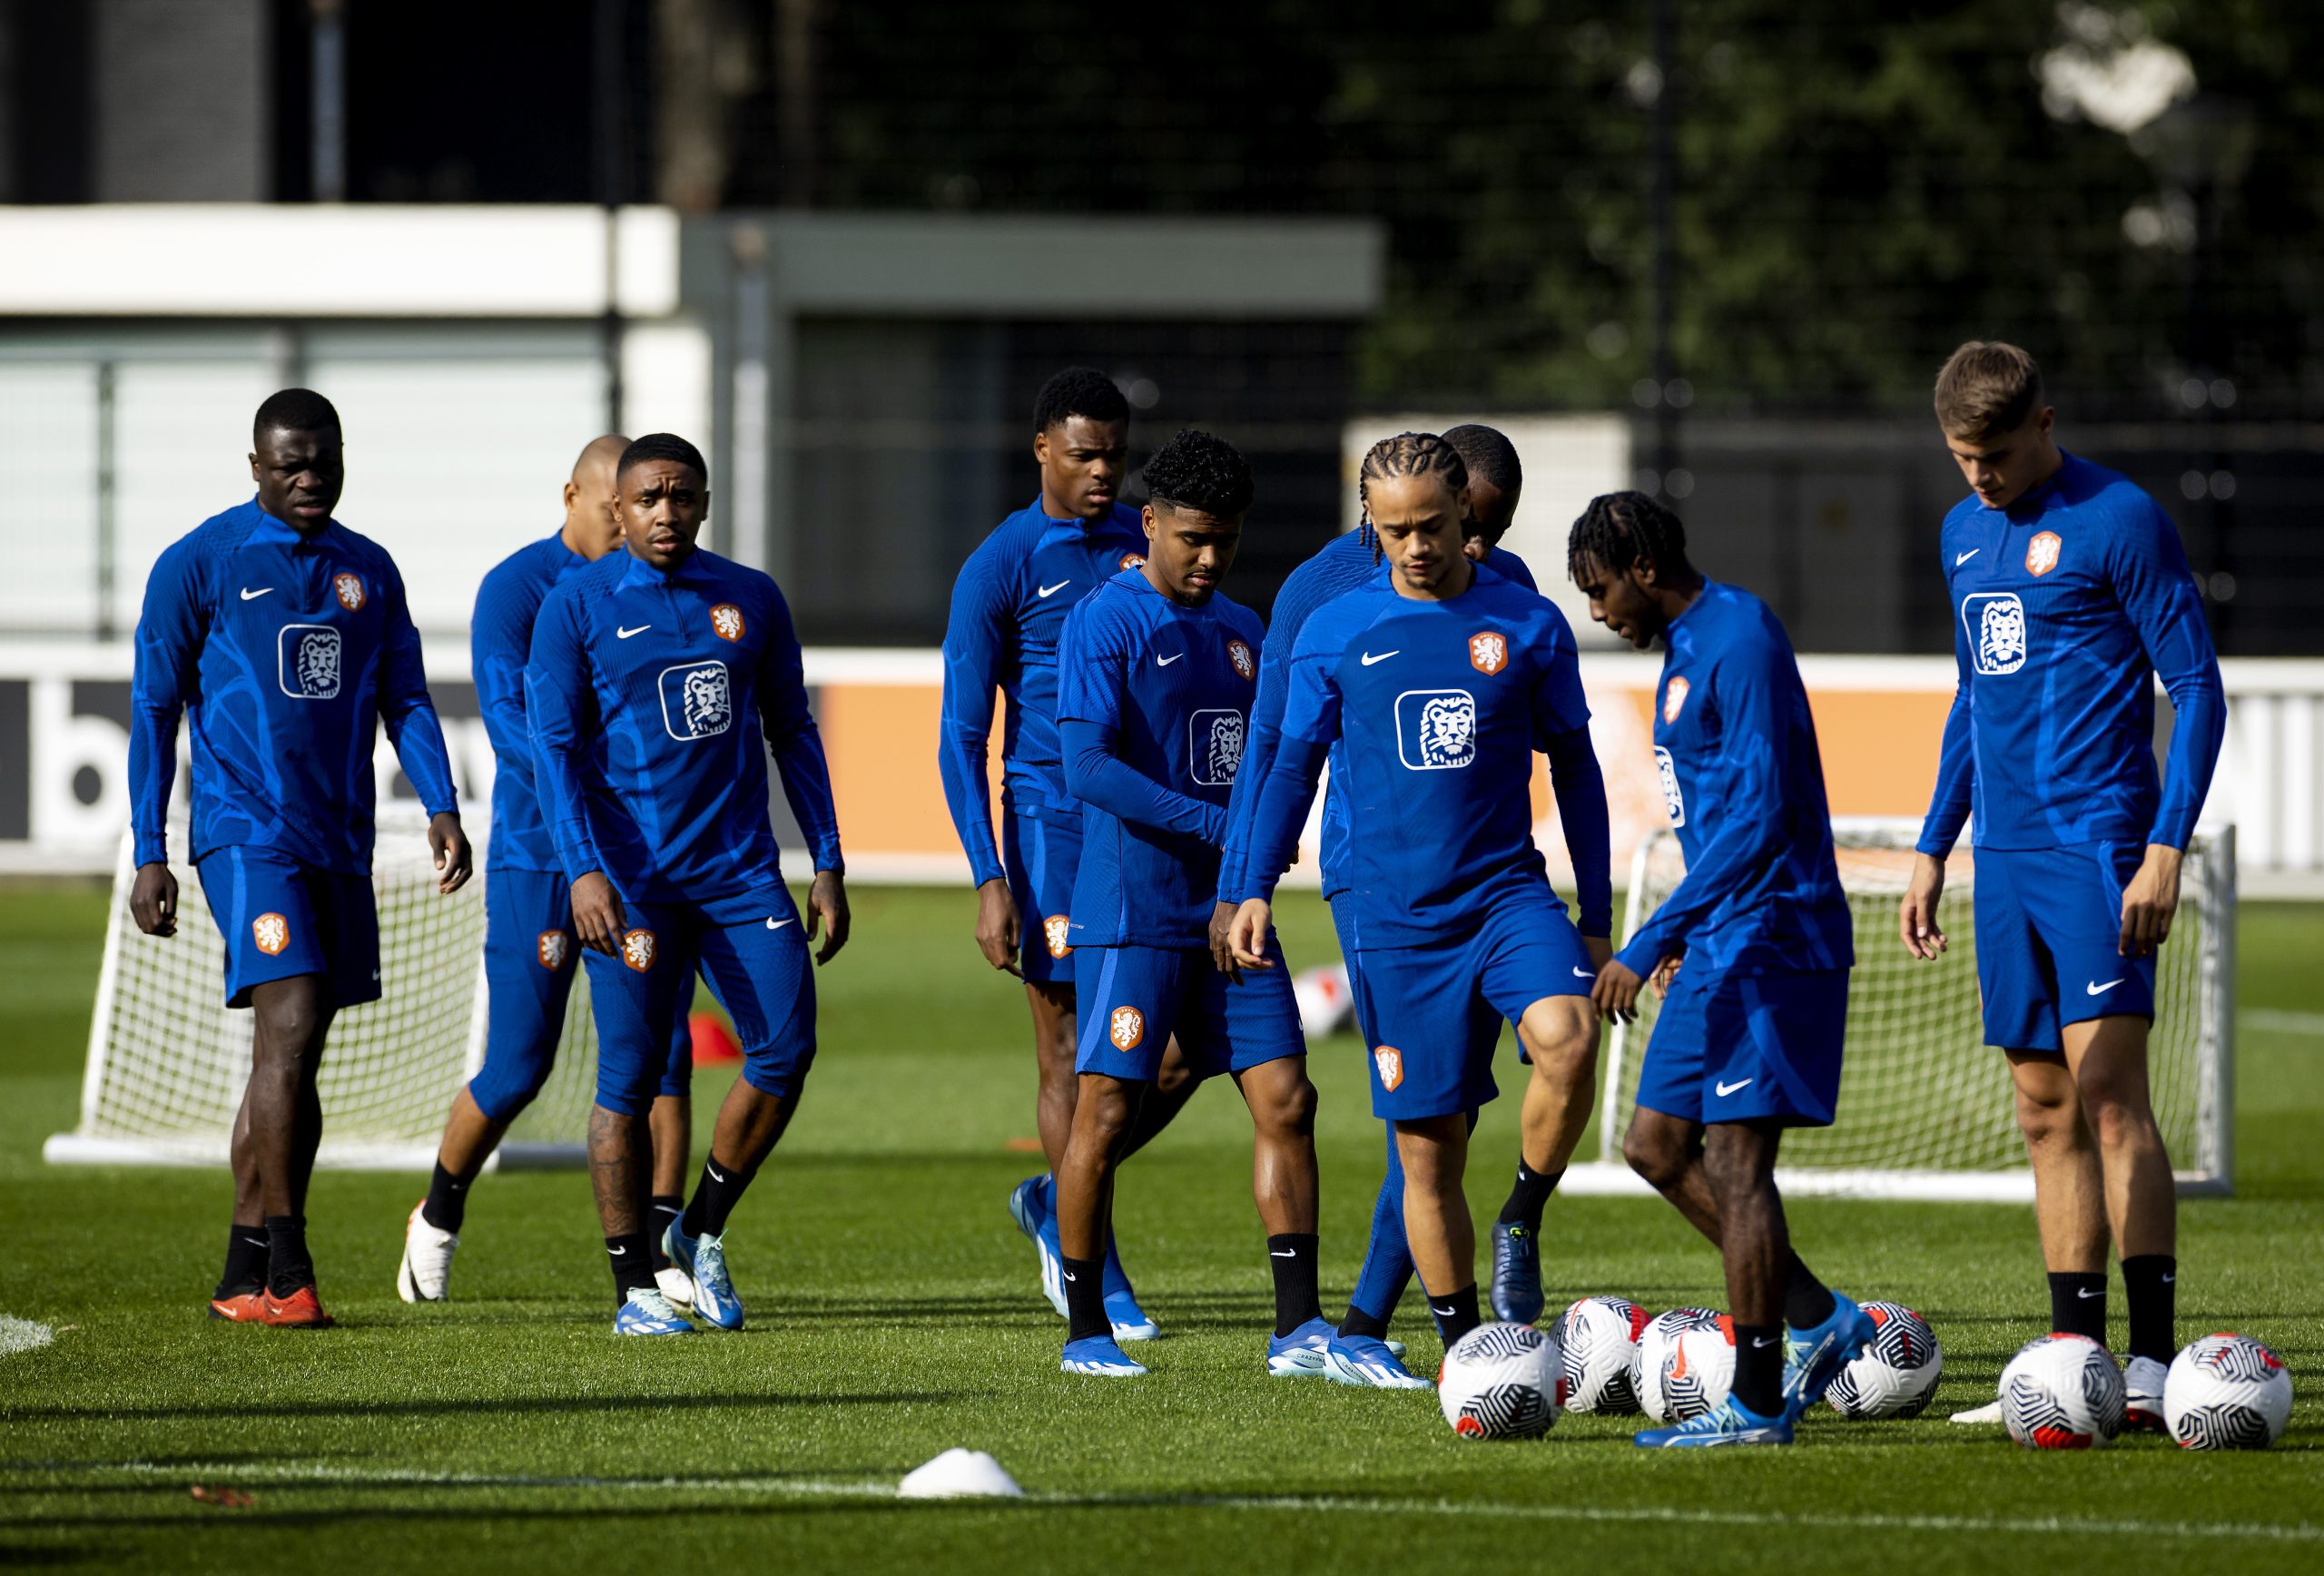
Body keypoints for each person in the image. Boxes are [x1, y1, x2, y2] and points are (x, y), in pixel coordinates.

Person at [1225, 432, 1609, 1366]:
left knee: (1568, 1037)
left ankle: (1521, 1211)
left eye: (1432, 525)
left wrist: (1595, 915)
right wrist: (1249, 887)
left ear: (1463, 516)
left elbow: (1578, 769)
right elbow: (1287, 766)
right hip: (1391, 913)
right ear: (1371, 521)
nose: (1416, 546)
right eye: (1394, 529)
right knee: (1427, 1152)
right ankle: (1471, 1350)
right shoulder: (1331, 625)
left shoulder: (1527, 622)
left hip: (1505, 892)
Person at [1900, 342, 2225, 1429]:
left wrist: (2166, 844)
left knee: (2109, 1099)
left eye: (1994, 454)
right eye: (1960, 458)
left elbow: (2195, 685)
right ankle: (2072, 1359)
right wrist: (1933, 842)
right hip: (2005, 859)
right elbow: (1969, 696)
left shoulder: (2119, 517)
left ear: (2045, 421)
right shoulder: (1958, 534)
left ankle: (2152, 1363)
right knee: (2041, 1111)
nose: (1979, 477)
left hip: (2098, 849)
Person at [129, 388, 470, 1328]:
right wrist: (149, 849)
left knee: (295, 1050)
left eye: (324, 460)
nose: (310, 476)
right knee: (291, 1017)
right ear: (254, 467)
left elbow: (404, 692)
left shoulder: (369, 568)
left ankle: (243, 1272)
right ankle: (291, 1261)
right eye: (290, 464)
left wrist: (440, 802)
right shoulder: (201, 562)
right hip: (244, 833)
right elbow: (155, 709)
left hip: (338, 838)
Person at [527, 433, 848, 1335]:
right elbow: (551, 751)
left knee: (786, 1047)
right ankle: (632, 1285)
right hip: (630, 883)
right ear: (617, 511)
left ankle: (699, 1226)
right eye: (648, 499)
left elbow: (792, 727)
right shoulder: (575, 605)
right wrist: (583, 868)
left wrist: (826, 856)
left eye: (681, 496)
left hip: (742, 874)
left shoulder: (749, 597)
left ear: (703, 503)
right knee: (627, 1081)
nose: (665, 512)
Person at [1569, 490, 1871, 1447]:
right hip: (1722, 937)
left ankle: (1756, 1401)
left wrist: (1654, 936)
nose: (1596, 609)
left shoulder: (1736, 637)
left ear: (1644, 570)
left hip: (1775, 939)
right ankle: (1822, 1315)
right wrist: (1693, 933)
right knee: (1656, 1144)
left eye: (1600, 587)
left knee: (1738, 1162)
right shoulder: (1683, 654)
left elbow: (1761, 818)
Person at [1050, 428, 1329, 1378]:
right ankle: (1085, 1329)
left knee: (1287, 1096)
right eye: (1193, 539)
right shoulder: (1105, 621)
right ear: (1152, 524)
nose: (1209, 558)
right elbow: (1087, 765)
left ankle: (1298, 1328)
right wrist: (1221, 833)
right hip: (1132, 910)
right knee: (1106, 1112)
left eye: (1227, 540)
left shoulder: (1247, 631)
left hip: (1232, 912)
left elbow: (1267, 763)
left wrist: (1251, 851)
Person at [399, 436, 699, 1306]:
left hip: (639, 867)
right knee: (519, 1066)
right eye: (614, 504)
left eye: (635, 506)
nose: (627, 520)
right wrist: (591, 827)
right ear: (574, 494)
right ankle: (439, 1213)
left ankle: (660, 1245)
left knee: (662, 1055)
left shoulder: (652, 588)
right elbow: (514, 730)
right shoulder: (517, 589)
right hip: (541, 859)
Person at [939, 367, 1188, 1342]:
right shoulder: (1001, 563)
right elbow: (962, 733)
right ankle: (1095, 1262)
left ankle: (1057, 1191)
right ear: (1041, 448)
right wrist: (989, 875)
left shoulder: (1146, 544)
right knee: (1070, 1043)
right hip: (1047, 822)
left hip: (1141, 822)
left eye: (1115, 455)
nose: (1102, 472)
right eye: (1084, 453)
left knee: (1178, 1049)